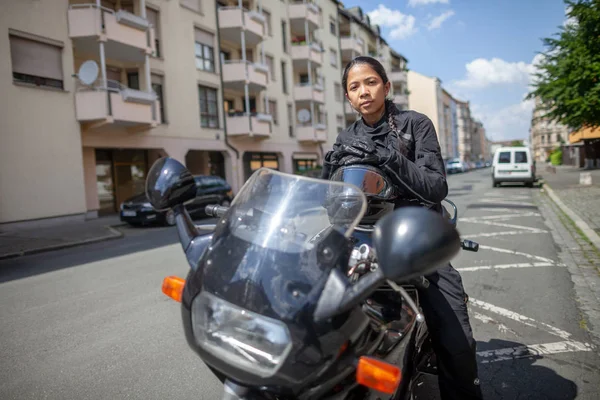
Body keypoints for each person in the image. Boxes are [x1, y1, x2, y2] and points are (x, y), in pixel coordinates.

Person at [321, 56, 483, 400]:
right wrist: (328, 173)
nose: (363, 91)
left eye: (370, 82)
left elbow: (436, 187)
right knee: (327, 314)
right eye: (354, 87)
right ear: (348, 98)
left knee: (456, 338)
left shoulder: (415, 124)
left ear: (386, 86)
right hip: (366, 242)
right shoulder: (345, 137)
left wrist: (389, 158)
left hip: (419, 243)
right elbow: (332, 200)